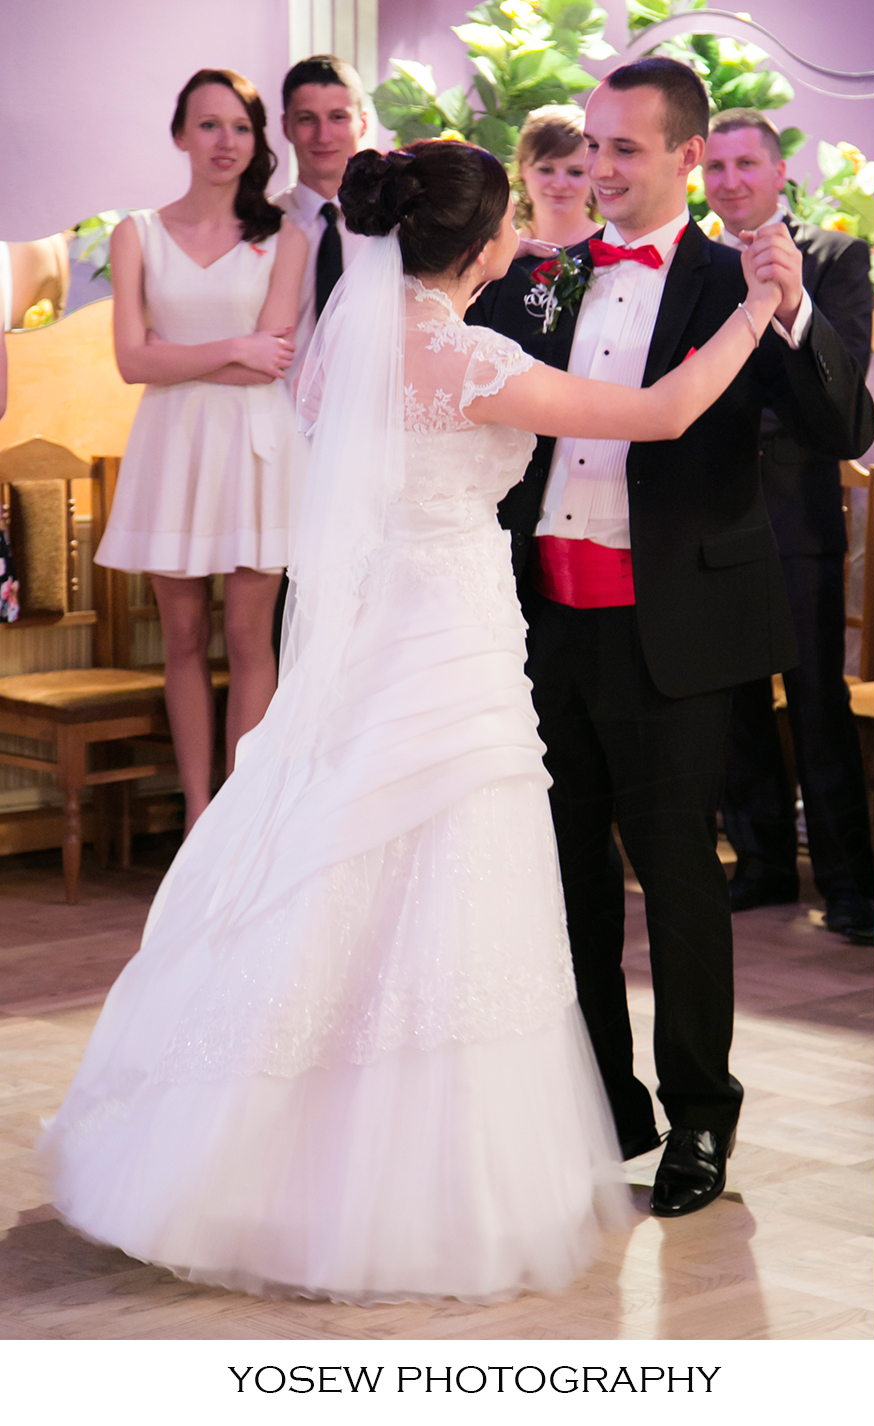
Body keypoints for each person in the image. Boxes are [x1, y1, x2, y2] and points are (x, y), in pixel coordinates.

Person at [42, 138, 787, 1303]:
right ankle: (419, 1181)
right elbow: (660, 411)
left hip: (370, 635)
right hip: (450, 635)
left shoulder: (344, 349)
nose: (521, 234)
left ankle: (256, 1148)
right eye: (509, 221)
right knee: (448, 872)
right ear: (481, 243)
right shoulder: (470, 359)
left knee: (339, 868)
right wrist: (753, 311)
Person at [469, 58, 874, 1218]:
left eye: (623, 149)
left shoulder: (728, 281)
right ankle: (602, 1102)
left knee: (681, 882)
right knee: (568, 876)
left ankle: (699, 1114)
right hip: (537, 623)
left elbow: (840, 425)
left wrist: (787, 310)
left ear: (687, 158)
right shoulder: (541, 278)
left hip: (676, 630)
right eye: (589, 146)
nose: (597, 169)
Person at [95, 69, 307, 834]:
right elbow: (130, 362)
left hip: (255, 447)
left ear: (257, 141)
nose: (226, 141)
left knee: (251, 638)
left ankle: (239, 823)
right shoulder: (137, 234)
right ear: (181, 135)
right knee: (181, 639)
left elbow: (269, 362)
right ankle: (196, 812)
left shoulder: (285, 238)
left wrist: (178, 355)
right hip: (172, 447)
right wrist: (232, 346)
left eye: (241, 127)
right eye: (210, 125)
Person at [702, 108, 874, 943]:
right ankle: (762, 861)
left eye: (746, 165)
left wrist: (787, 305)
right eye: (717, 167)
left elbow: (841, 383)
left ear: (779, 174)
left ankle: (848, 884)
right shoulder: (696, 264)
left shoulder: (835, 257)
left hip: (795, 513)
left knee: (816, 699)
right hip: (713, 514)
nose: (730, 180)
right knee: (734, 700)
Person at [272, 54, 369, 390]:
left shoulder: (396, 229)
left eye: (338, 117)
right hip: (280, 410)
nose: (323, 135)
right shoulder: (261, 227)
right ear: (286, 126)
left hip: (371, 409)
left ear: (363, 123)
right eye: (307, 119)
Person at [513, 105, 600, 255]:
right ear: (523, 169)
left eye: (575, 172)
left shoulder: (615, 250)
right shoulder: (501, 255)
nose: (560, 184)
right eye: (546, 170)